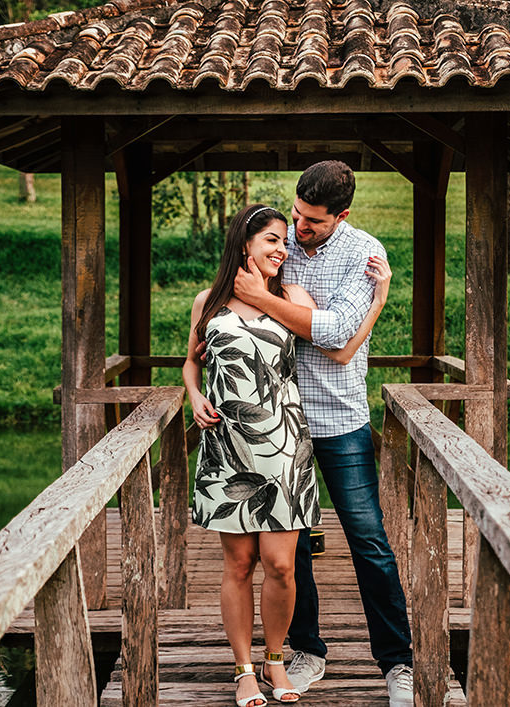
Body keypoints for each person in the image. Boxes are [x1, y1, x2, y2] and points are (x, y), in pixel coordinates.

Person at [184, 203, 392, 706]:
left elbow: (341, 350)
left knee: (281, 564)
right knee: (238, 566)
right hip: (227, 448)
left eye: (284, 240)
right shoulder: (207, 302)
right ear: (245, 243)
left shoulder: (293, 296)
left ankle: (278, 663)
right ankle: (244, 671)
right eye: (272, 240)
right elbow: (191, 363)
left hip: (284, 445)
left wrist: (379, 299)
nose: (283, 249)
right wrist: (194, 396)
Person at [232, 161, 415, 705]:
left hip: (340, 422)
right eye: (295, 214)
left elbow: (337, 339)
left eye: (311, 220)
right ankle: (306, 650)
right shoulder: (281, 239)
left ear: (342, 215)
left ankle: (397, 662)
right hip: (282, 425)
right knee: (294, 550)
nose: (297, 227)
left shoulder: (364, 254)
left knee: (370, 543)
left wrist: (269, 300)